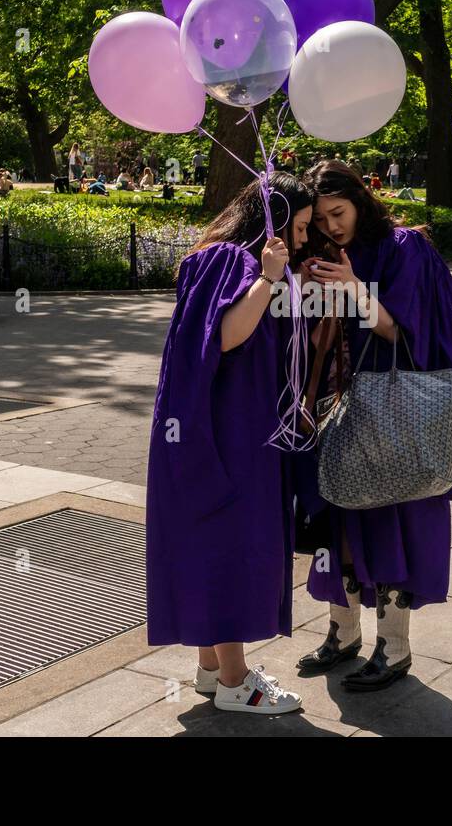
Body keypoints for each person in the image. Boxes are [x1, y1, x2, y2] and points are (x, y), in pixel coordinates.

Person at [146, 171, 317, 716]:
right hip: (227, 430)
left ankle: (210, 668)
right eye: (304, 226)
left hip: (210, 425)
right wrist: (269, 280)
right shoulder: (233, 263)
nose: (306, 239)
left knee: (207, 537)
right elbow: (222, 335)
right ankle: (238, 683)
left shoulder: (214, 257)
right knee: (229, 541)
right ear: (278, 220)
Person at [293, 160, 452, 692]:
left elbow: (408, 337)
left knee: (394, 520)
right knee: (337, 522)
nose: (331, 226)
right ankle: (343, 632)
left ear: (361, 199)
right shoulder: (322, 252)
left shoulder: (405, 249)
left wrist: (355, 289)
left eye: (338, 213)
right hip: (336, 405)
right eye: (320, 219)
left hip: (392, 408)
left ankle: (394, 648)